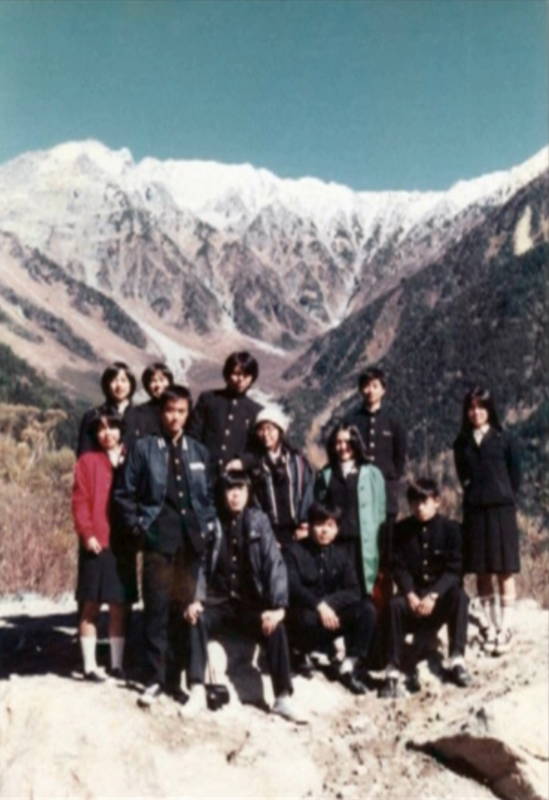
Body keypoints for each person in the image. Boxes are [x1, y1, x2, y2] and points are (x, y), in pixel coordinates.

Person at [114, 385, 217, 706]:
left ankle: (177, 678)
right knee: (156, 609)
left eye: (181, 411)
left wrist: (207, 525)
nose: (175, 417)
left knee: (184, 611)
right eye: (170, 410)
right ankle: (155, 679)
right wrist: (139, 527)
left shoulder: (198, 451)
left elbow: (208, 496)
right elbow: (124, 493)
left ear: (188, 414)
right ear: (162, 412)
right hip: (158, 540)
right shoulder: (144, 448)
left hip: (191, 543)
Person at [183, 470, 301, 721]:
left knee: (276, 627)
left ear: (248, 493)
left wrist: (278, 606)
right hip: (219, 601)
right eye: (230, 489)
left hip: (249, 604)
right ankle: (196, 689)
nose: (235, 495)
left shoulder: (259, 521)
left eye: (240, 489)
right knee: (196, 619)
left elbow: (274, 563)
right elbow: (201, 563)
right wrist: (196, 599)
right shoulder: (214, 521)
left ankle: (282, 697)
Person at [379, 478, 471, 698]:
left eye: (424, 501)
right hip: (413, 601)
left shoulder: (451, 530)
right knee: (394, 605)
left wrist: (433, 595)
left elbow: (454, 570)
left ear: (437, 501)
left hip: (438, 602)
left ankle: (457, 659)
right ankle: (392, 670)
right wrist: (410, 594)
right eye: (414, 502)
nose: (419, 507)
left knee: (460, 597)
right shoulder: (401, 531)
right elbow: (398, 567)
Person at [453, 387, 521, 656]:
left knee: (504, 570)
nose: (476, 412)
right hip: (475, 512)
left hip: (501, 511)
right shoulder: (462, 443)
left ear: (490, 409)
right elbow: (463, 477)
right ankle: (491, 626)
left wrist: (502, 495)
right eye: (471, 408)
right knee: (482, 571)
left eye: (481, 407)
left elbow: (515, 476)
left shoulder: (505, 439)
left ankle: (506, 627)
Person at [72, 412, 137, 681]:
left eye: (112, 428)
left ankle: (117, 664)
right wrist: (87, 534)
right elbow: (80, 501)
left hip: (123, 543)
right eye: (101, 429)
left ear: (122, 430)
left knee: (119, 606)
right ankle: (89, 666)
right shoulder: (87, 461)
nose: (107, 433)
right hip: (96, 542)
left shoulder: (131, 459)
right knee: (91, 605)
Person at [286, 502, 377, 693]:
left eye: (330, 525)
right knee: (304, 617)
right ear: (310, 525)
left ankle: (349, 666)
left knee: (367, 610)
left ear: (337, 529)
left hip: (330, 620)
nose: (324, 531)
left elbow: (354, 590)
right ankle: (301, 653)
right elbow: (292, 586)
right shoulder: (293, 551)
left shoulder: (341, 555)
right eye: (319, 524)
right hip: (304, 618)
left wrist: (329, 605)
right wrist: (318, 606)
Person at [343, 367, 406, 569]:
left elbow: (399, 457)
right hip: (358, 490)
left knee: (385, 543)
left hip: (385, 491)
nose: (370, 390)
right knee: (359, 544)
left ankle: (384, 583)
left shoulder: (394, 420)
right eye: (366, 386)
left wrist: (390, 480)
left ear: (383, 389)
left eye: (375, 386)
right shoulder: (351, 420)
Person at [315, 424, 386, 600]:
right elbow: (320, 507)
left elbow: (380, 513)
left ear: (356, 443)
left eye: (347, 442)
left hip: (361, 543)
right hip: (335, 542)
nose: (343, 447)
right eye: (338, 442)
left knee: (362, 588)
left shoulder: (372, 473)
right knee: (337, 588)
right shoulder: (326, 474)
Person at [249, 406, 315, 549]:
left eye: (270, 428)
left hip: (298, 532)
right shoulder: (256, 466)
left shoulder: (298, 463)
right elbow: (255, 502)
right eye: (261, 429)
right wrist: (265, 533)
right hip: (270, 534)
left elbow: (307, 493)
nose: (265, 434)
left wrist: (305, 524)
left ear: (280, 431)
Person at [186, 351, 262, 472]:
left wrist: (243, 461)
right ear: (227, 374)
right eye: (236, 374)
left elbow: (257, 449)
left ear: (252, 378)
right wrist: (197, 460)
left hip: (236, 477)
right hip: (203, 471)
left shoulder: (255, 411)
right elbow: (192, 434)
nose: (241, 379)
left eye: (246, 375)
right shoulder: (208, 399)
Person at [77, 361, 139, 455]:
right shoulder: (92, 415)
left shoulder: (141, 416)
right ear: (106, 384)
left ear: (131, 384)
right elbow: (84, 454)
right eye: (114, 380)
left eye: (123, 380)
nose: (119, 385)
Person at [134, 362, 174, 438]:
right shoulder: (140, 412)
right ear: (147, 385)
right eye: (153, 381)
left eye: (161, 380)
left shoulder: (179, 408)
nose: (158, 385)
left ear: (169, 382)